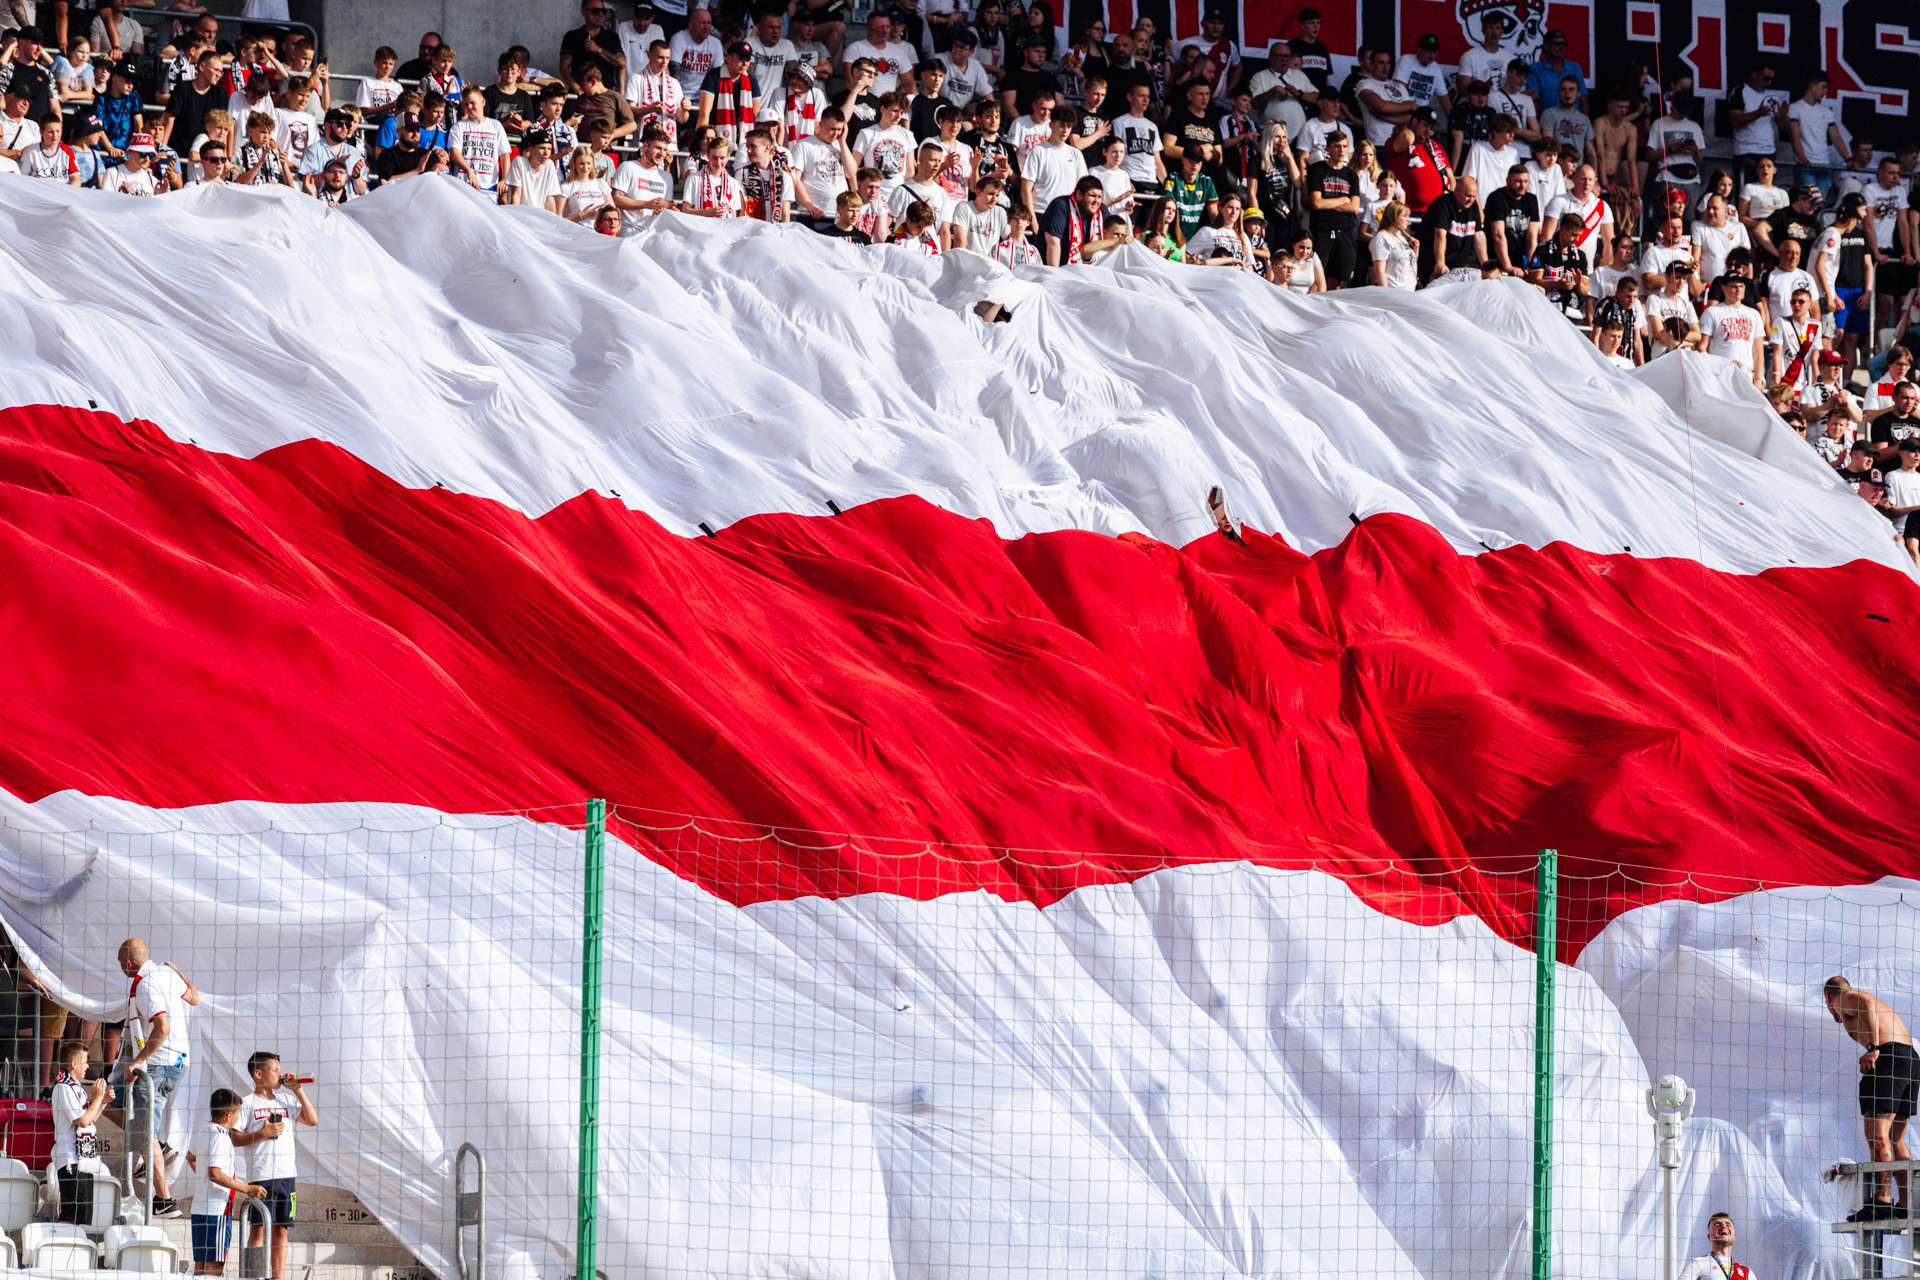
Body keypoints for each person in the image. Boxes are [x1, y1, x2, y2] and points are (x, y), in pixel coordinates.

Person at [117, 938, 199, 1218]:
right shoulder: (168, 973)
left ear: (129, 962)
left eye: (121, 963)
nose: (121, 968)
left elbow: (161, 1028)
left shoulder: (145, 985)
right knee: (111, 1099)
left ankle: (164, 1199)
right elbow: (195, 997)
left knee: (144, 1131)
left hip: (157, 1066)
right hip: (177, 1064)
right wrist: (179, 971)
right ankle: (157, 1149)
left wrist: (139, 1060)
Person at [229, 1052, 317, 1280]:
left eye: (280, 1069)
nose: (280, 1074)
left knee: (281, 1228)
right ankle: (254, 1276)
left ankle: (279, 1277)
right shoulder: (247, 1103)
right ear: (259, 1074)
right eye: (274, 1070)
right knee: (257, 1228)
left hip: (287, 1175)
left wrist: (298, 1090)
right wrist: (262, 1133)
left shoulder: (286, 1100)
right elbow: (233, 1137)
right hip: (261, 1176)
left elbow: (312, 1120)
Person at [50, 1040, 108, 1225]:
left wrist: (103, 1101)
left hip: (83, 1158)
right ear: (74, 1064)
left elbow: (89, 1120)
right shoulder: (63, 1088)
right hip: (70, 1157)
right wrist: (97, 1098)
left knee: (80, 1215)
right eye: (85, 1061)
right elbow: (82, 1121)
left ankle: (72, 1241)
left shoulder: (76, 1088)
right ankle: (60, 1241)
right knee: (70, 1214)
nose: (88, 1066)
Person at [1306, 129, 1360, 287]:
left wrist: (1328, 203)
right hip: (1322, 230)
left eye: (1345, 146)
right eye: (1337, 146)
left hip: (1345, 232)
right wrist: (1343, 200)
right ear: (1328, 148)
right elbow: (1317, 203)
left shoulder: (1351, 175)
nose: (1341, 150)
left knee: (1338, 280)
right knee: (1317, 278)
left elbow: (1354, 207)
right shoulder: (1317, 170)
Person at [1726, 62, 1784, 190]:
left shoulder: (1771, 97)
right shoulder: (1740, 91)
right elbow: (1735, 120)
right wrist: (1758, 113)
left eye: (1771, 80)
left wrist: (1783, 116)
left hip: (1769, 153)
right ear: (1754, 74)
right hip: (1747, 153)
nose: (1769, 82)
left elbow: (1783, 128)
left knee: (1766, 195)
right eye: (1766, 78)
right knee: (1746, 195)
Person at [1701, 274, 1765, 388]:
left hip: (1746, 374)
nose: (1738, 290)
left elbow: (1758, 351)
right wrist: (1712, 370)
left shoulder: (1754, 314)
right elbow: (1702, 346)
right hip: (1719, 374)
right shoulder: (1712, 312)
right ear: (1724, 288)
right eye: (1734, 286)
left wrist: (1758, 379)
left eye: (1741, 286)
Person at [1425, 175, 1485, 281]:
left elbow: (1478, 235)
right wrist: (1440, 263)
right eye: (1468, 196)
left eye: (1474, 197)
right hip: (1433, 266)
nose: (1471, 200)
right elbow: (1440, 234)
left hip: (1458, 268)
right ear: (1457, 191)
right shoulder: (1443, 204)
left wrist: (1485, 265)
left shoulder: (1473, 206)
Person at [1484, 164, 1538, 275]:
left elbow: (1532, 237)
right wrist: (1508, 266)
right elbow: (1498, 235)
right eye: (1518, 181)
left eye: (1526, 182)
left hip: (1518, 260)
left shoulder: (1531, 199)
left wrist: (1531, 265)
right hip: (1496, 262)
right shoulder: (1496, 198)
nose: (1522, 186)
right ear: (1507, 180)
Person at [1353, 48, 1411, 149]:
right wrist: (1409, 106)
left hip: (1401, 143)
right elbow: (1382, 107)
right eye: (1381, 63)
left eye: (1388, 63)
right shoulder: (1364, 84)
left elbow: (1410, 117)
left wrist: (1385, 117)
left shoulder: (1399, 86)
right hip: (1378, 144)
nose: (1385, 67)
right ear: (1371, 65)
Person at [668, 8, 722, 103]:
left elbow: (718, 74)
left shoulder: (715, 43)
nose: (706, 27)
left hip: (705, 97)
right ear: (691, 25)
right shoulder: (679, 38)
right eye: (702, 23)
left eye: (709, 23)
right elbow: (673, 72)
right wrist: (680, 98)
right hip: (680, 96)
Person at [1676, 1214, 1749, 1280]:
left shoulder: (1746, 1273)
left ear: (1734, 1236)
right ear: (1709, 1236)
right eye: (1717, 1225)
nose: (1724, 1226)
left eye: (1728, 1225)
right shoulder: (1699, 1263)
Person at [1884, 441, 1920, 565]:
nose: (1917, 455)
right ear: (1901, 453)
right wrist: (1916, 508)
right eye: (1912, 451)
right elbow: (1891, 510)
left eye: (1919, 452)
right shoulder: (1893, 476)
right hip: (1902, 532)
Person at [1368, 198, 1416, 289]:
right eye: (1404, 216)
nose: (1408, 219)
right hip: (1394, 291)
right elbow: (1379, 270)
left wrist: (1415, 250)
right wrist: (1386, 293)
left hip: (1409, 291)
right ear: (1394, 217)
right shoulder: (1382, 237)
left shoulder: (1401, 238)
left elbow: (1408, 265)